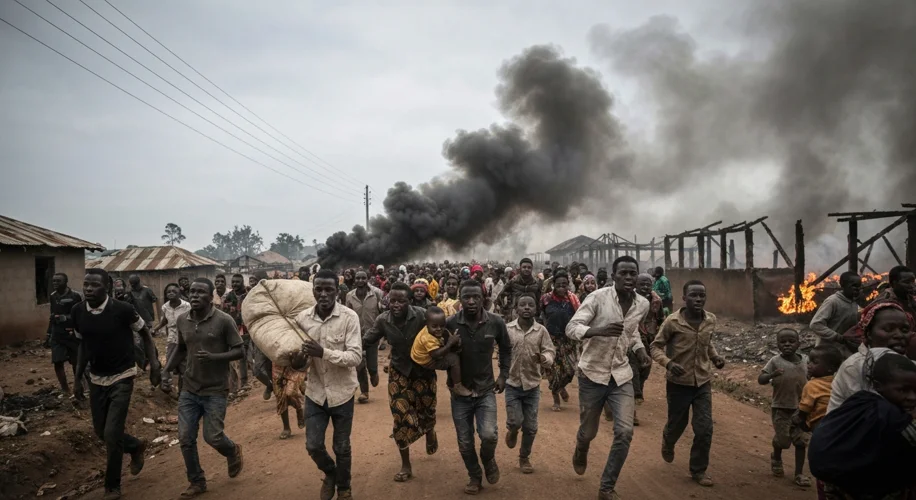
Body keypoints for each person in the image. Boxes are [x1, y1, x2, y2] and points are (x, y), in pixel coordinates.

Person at [565, 256, 651, 500]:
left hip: (621, 375)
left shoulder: (642, 304)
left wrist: (640, 350)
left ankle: (606, 487)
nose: (628, 277)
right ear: (614, 276)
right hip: (592, 374)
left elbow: (631, 333)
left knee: (624, 432)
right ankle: (581, 448)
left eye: (632, 273)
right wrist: (597, 331)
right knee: (588, 432)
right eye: (623, 273)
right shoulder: (597, 298)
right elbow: (572, 328)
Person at [71, 269, 160, 500]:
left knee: (111, 433)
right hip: (96, 377)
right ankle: (135, 446)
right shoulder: (78, 311)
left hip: (123, 374)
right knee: (100, 431)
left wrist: (154, 364)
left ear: (108, 287)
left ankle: (112, 486)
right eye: (86, 284)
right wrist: (77, 379)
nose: (89, 289)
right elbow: (82, 346)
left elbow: (145, 333)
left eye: (94, 285)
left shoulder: (123, 310)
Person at [164, 278, 245, 496]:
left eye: (200, 292)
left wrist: (214, 357)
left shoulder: (224, 321)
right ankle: (197, 481)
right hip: (189, 388)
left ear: (211, 297)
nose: (194, 296)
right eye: (192, 292)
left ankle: (232, 450)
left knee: (213, 437)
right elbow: (181, 348)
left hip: (216, 389)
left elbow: (240, 351)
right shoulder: (182, 320)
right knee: (185, 438)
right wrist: (166, 371)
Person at [289, 270, 362, 500]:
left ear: (337, 291)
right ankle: (331, 473)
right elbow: (300, 363)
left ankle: (344, 488)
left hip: (342, 392)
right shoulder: (302, 319)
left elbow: (355, 357)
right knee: (313, 445)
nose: (323, 294)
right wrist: (298, 360)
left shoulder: (349, 317)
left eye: (329, 289)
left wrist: (324, 352)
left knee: (342, 446)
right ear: (312, 291)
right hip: (316, 392)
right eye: (319, 289)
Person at [650, 279, 726, 488]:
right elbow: (655, 347)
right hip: (678, 384)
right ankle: (668, 439)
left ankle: (698, 470)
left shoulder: (710, 320)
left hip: (702, 382)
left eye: (702, 295)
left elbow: (707, 343)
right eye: (693, 295)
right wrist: (668, 363)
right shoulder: (672, 322)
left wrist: (715, 358)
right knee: (677, 424)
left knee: (704, 429)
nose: (698, 299)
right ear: (684, 298)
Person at [809, 353, 916, 499]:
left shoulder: (860, 399)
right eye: (903, 390)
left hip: (832, 478)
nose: (912, 397)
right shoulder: (890, 413)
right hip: (859, 487)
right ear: (878, 386)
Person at [364, 283, 440, 482]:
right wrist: (348, 347)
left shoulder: (423, 315)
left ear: (410, 301)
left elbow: (441, 331)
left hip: (424, 371)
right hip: (399, 372)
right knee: (400, 416)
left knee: (427, 410)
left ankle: (430, 429)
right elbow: (368, 339)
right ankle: (406, 464)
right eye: (392, 301)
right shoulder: (383, 320)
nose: (396, 305)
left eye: (401, 301)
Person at [445, 279, 511, 495]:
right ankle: (474, 476)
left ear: (484, 298)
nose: (471, 301)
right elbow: (437, 352)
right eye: (467, 297)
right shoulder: (450, 323)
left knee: (489, 435)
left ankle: (488, 459)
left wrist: (503, 375)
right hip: (459, 392)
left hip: (485, 390)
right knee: (465, 442)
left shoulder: (496, 322)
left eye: (476, 297)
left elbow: (506, 349)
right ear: (460, 299)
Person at [828, 300, 913, 413]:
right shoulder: (854, 367)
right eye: (888, 329)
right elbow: (863, 415)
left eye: (905, 330)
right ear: (869, 334)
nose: (899, 335)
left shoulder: (909, 365)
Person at [504, 294, 555, 474]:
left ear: (536, 309)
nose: (526, 307)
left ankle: (524, 457)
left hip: (532, 385)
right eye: (522, 305)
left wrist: (544, 358)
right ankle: (512, 430)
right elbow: (501, 350)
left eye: (530, 305)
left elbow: (550, 350)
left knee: (531, 427)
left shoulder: (541, 331)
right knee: (515, 421)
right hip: (512, 384)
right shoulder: (508, 329)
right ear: (516, 309)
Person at [757, 329, 810, 487]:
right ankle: (776, 456)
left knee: (801, 442)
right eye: (783, 342)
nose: (787, 344)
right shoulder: (775, 361)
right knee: (784, 441)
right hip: (781, 408)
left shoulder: (806, 360)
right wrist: (771, 375)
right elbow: (761, 379)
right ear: (777, 345)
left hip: (801, 409)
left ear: (798, 344)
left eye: (791, 341)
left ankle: (799, 474)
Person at [793, 344, 844, 500]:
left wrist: (800, 421)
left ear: (830, 368)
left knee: (820, 463)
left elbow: (804, 408)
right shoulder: (839, 382)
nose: (809, 365)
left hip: (820, 431)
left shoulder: (812, 385)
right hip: (839, 429)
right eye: (809, 361)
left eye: (814, 362)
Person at [540, 271, 581, 411]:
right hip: (551, 339)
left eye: (564, 285)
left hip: (568, 339)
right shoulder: (546, 299)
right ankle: (556, 397)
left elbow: (580, 317)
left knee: (569, 370)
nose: (561, 287)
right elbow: (541, 315)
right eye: (558, 285)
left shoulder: (573, 299)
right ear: (553, 285)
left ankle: (561, 386)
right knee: (553, 370)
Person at [410, 306, 472, 396]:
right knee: (454, 359)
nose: (439, 329)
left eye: (442, 325)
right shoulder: (427, 338)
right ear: (426, 324)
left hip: (422, 354)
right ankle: (457, 386)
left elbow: (443, 333)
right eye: (434, 326)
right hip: (425, 361)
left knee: (448, 342)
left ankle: (452, 381)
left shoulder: (431, 329)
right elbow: (435, 355)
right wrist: (449, 344)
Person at [630, 273, 664, 424]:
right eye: (641, 284)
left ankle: (638, 391)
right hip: (631, 338)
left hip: (649, 339)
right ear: (635, 285)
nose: (645, 287)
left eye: (648, 284)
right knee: (633, 371)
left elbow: (661, 320)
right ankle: (631, 411)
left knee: (645, 370)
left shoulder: (656, 301)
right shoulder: (629, 299)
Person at [345, 271, 382, 404]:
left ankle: (374, 373)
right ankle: (364, 392)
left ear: (367, 279)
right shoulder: (349, 296)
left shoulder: (376, 294)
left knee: (371, 365)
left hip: (373, 334)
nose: (360, 280)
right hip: (356, 336)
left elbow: (382, 312)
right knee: (359, 365)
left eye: (363, 278)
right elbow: (347, 314)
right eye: (358, 278)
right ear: (355, 280)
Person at [47, 273, 83, 396]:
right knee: (57, 361)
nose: (55, 283)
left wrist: (65, 318)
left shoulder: (75, 296)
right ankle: (65, 389)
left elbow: (79, 315)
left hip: (72, 334)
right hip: (57, 334)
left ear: (66, 282)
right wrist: (48, 333)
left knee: (76, 362)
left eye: (58, 281)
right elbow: (52, 315)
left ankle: (78, 387)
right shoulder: (53, 296)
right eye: (54, 281)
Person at [809, 271, 860, 357]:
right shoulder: (833, 301)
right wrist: (838, 337)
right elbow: (815, 324)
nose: (857, 289)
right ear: (843, 285)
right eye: (854, 285)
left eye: (859, 286)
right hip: (827, 350)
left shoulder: (854, 303)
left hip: (843, 350)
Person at [153, 283, 191, 394]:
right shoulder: (165, 307)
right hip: (172, 338)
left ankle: (183, 391)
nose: (171, 293)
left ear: (179, 293)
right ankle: (167, 387)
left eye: (174, 291)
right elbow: (164, 321)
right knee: (170, 362)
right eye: (169, 292)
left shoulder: (187, 306)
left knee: (184, 364)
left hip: (184, 340)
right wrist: (156, 328)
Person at [128, 274, 158, 368]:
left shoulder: (147, 290)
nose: (134, 286)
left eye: (136, 284)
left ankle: (154, 359)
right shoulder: (129, 293)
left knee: (147, 340)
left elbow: (154, 303)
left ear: (139, 282)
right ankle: (144, 361)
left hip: (148, 319)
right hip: (136, 320)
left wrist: (155, 319)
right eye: (133, 284)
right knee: (138, 342)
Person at [498, 258, 542, 322]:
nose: (526, 269)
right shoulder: (513, 281)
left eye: (529, 267)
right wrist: (506, 309)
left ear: (532, 269)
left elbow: (539, 300)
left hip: (532, 314)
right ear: (520, 268)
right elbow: (501, 296)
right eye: (524, 267)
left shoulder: (536, 283)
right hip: (516, 314)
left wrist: (538, 314)